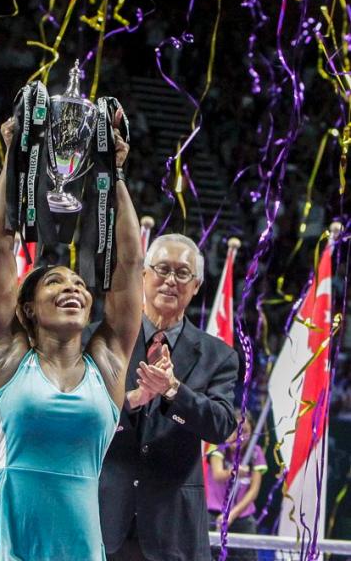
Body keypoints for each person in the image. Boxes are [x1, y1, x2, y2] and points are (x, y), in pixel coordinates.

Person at [0, 111, 144, 560]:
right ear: (27, 307)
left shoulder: (109, 364)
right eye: (55, 282)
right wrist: (15, 157)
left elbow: (130, 265)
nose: (73, 288)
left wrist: (115, 174)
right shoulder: (4, 358)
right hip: (5, 546)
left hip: (78, 549)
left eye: (79, 284)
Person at [94, 233, 240, 561]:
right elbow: (79, 413)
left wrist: (174, 391)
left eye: (183, 273)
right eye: (162, 269)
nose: (171, 280)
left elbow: (221, 425)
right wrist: (132, 400)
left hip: (174, 530)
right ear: (143, 275)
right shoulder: (102, 340)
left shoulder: (218, 355)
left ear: (196, 286)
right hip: (102, 520)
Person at [206, 409, 267, 561]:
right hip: (214, 516)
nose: (239, 436)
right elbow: (218, 475)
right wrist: (234, 472)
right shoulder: (218, 446)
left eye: (244, 431)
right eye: (234, 430)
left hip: (242, 519)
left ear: (252, 432)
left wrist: (231, 515)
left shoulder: (256, 452)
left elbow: (253, 492)